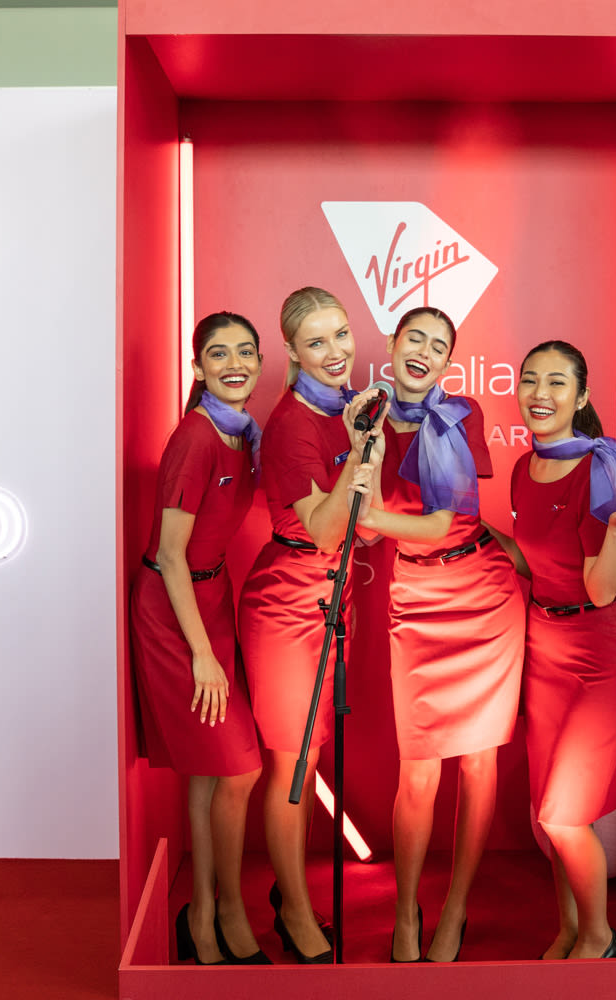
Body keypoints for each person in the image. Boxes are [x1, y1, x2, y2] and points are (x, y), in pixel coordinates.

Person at [345, 307, 525, 963]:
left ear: (450, 362)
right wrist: (361, 449)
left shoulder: (461, 415)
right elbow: (363, 534)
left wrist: (375, 510)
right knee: (418, 774)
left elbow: (447, 515)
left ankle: (455, 911)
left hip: (483, 595)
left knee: (479, 764)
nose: (424, 351)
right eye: (414, 338)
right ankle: (405, 914)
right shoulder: (365, 422)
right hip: (416, 598)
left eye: (439, 345)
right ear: (392, 346)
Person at [493, 339, 616, 961]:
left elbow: (599, 588)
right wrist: (471, 532)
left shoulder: (601, 469)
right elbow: (535, 563)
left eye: (557, 383)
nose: (540, 394)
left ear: (581, 397)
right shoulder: (521, 466)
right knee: (552, 814)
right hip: (545, 651)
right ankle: (568, 928)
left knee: (568, 816)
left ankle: (599, 937)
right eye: (530, 380)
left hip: (594, 656)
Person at [237, 287, 383, 964]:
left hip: (330, 600)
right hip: (288, 603)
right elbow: (325, 533)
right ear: (291, 353)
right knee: (292, 765)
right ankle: (294, 910)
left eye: (342, 335)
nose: (335, 352)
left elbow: (359, 523)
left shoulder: (348, 409)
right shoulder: (295, 424)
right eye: (316, 342)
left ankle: (291, 895)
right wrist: (360, 452)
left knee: (310, 755)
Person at [128, 312, 271, 966]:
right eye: (219, 353)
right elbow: (174, 555)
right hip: (173, 606)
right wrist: (205, 656)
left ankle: (205, 916)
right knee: (239, 768)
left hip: (213, 596)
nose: (234, 362)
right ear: (198, 368)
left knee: (210, 774)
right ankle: (224, 909)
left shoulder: (245, 435)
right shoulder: (197, 438)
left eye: (245, 351)